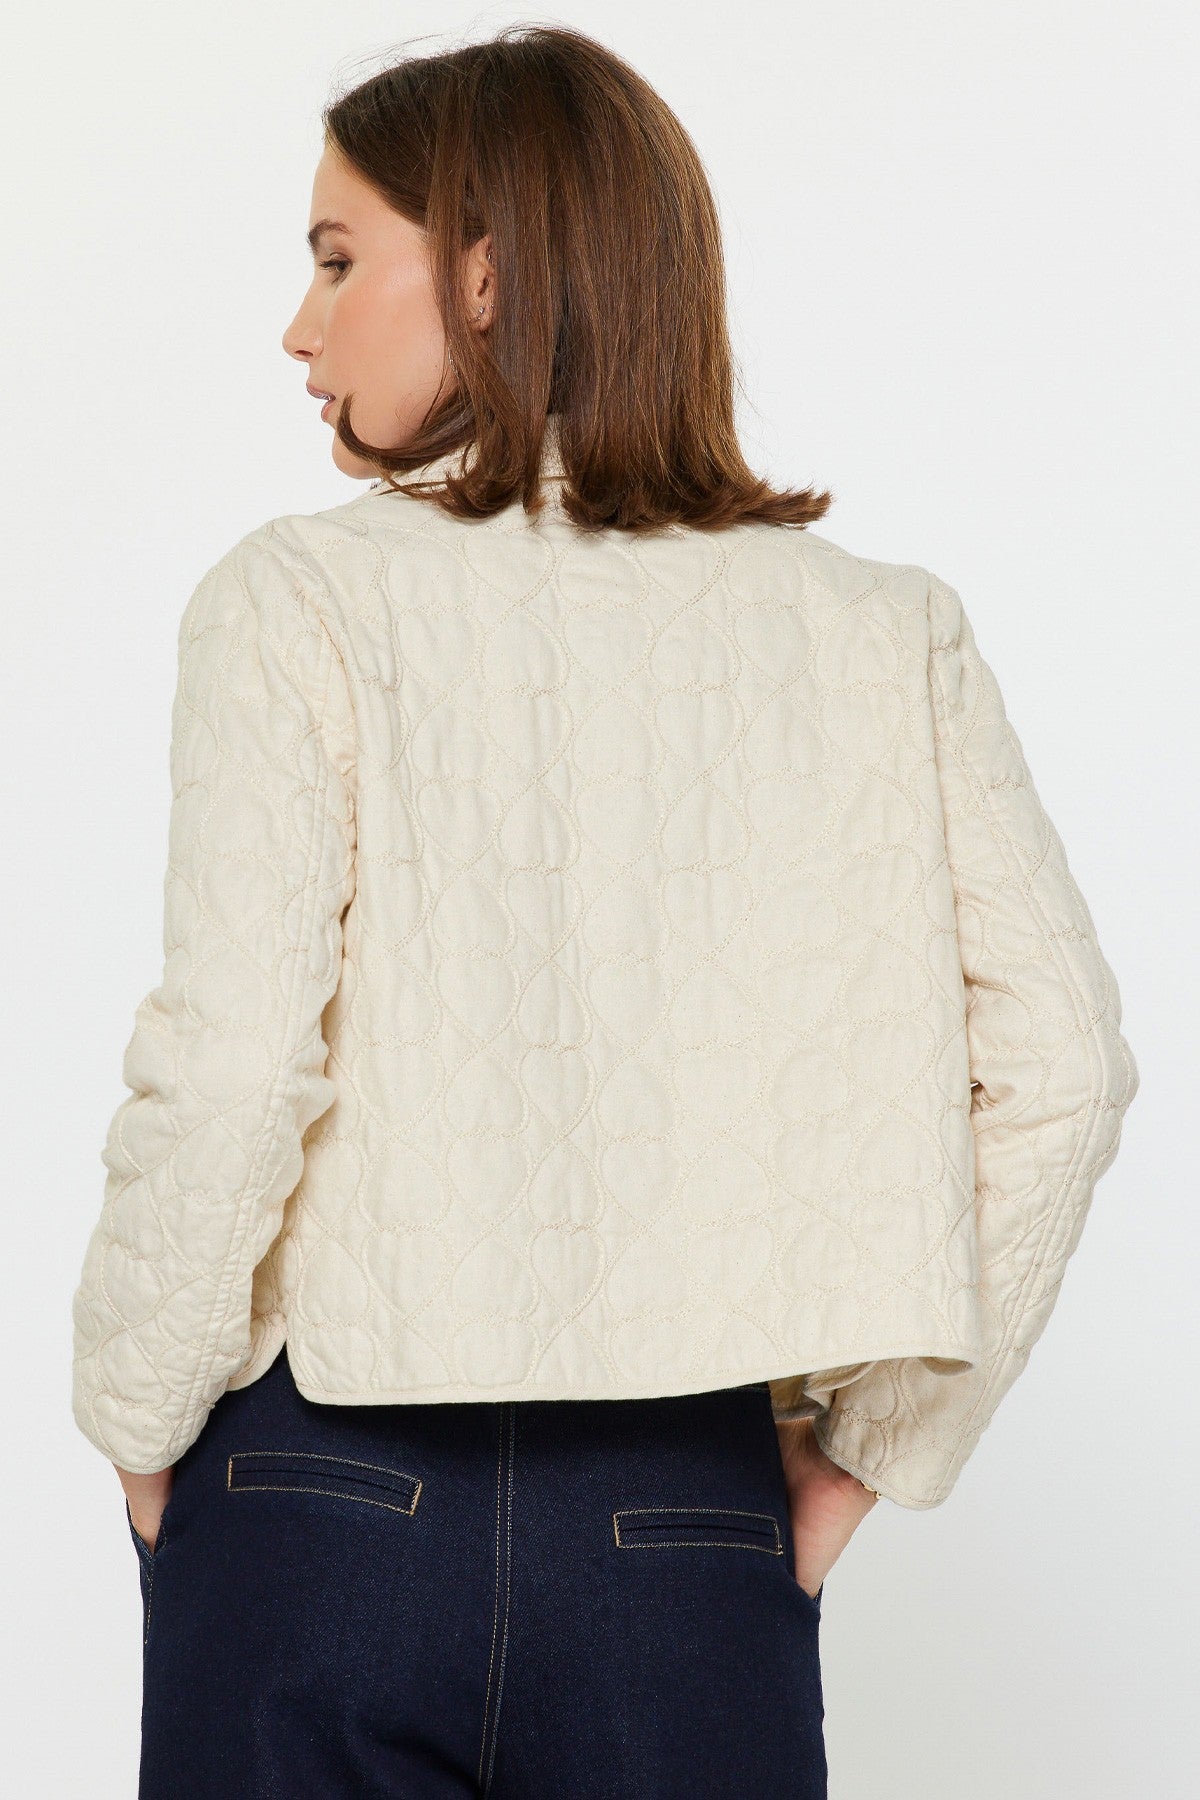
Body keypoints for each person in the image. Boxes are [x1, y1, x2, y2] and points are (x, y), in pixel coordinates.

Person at [69, 23, 1139, 1800]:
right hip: (681, 1531)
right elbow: (1068, 1068)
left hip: (320, 1505)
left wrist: (133, 1414)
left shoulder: (294, 602)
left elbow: (240, 1067)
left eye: (337, 260)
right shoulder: (881, 631)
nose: (298, 328)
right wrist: (866, 1453)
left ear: (484, 277)